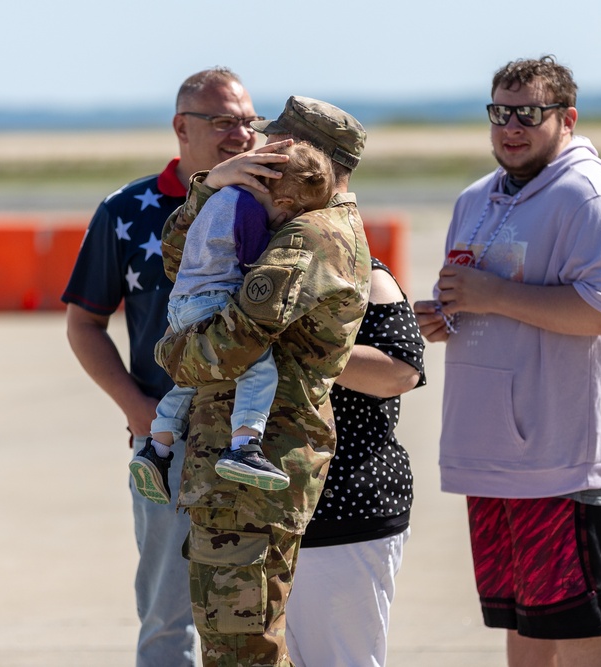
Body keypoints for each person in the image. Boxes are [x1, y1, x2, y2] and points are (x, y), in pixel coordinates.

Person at [413, 55, 601, 667]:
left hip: (565, 460)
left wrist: (492, 295)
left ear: (566, 119)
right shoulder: (476, 198)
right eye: (501, 113)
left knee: (576, 618)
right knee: (524, 619)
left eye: (529, 114)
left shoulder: (589, 198)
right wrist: (449, 317)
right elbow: (485, 299)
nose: (512, 127)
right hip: (492, 455)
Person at [155, 96, 372, 666]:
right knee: (236, 644)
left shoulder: (309, 237)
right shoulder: (285, 217)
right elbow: (182, 262)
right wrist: (211, 189)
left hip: (256, 468)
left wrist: (169, 354)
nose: (258, 148)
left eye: (276, 143)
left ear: (310, 157)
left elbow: (227, 347)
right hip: (237, 472)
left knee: (242, 651)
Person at [62, 67, 261, 667]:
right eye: (223, 121)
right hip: (168, 445)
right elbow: (83, 325)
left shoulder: (270, 205)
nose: (241, 135)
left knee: (257, 613)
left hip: (257, 444)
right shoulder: (129, 211)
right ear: (182, 127)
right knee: (166, 619)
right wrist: (139, 412)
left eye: (250, 121)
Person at [130, 141, 335, 504]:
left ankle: (156, 449)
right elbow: (253, 259)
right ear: (285, 203)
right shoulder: (251, 210)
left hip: (180, 304)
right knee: (258, 369)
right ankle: (244, 446)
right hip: (211, 302)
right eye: (292, 217)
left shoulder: (220, 198)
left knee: (193, 379)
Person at [286, 257, 426, 667]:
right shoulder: (244, 263)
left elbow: (400, 372)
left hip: (340, 512)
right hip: (259, 512)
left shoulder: (364, 274)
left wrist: (298, 345)